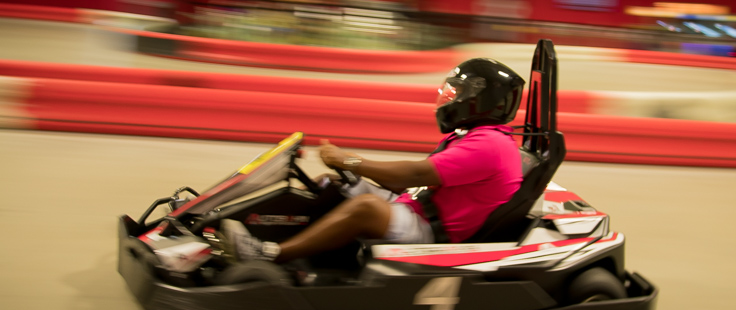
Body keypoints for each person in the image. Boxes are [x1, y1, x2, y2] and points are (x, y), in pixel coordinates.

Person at [224, 58, 526, 263]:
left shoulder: (490, 145)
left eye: (456, 93)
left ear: (479, 99)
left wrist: (351, 161)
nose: (449, 99)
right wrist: (347, 167)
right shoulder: (477, 135)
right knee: (329, 183)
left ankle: (270, 254)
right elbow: (409, 181)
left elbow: (411, 174)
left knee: (365, 207)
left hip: (433, 232)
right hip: (419, 206)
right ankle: (292, 242)